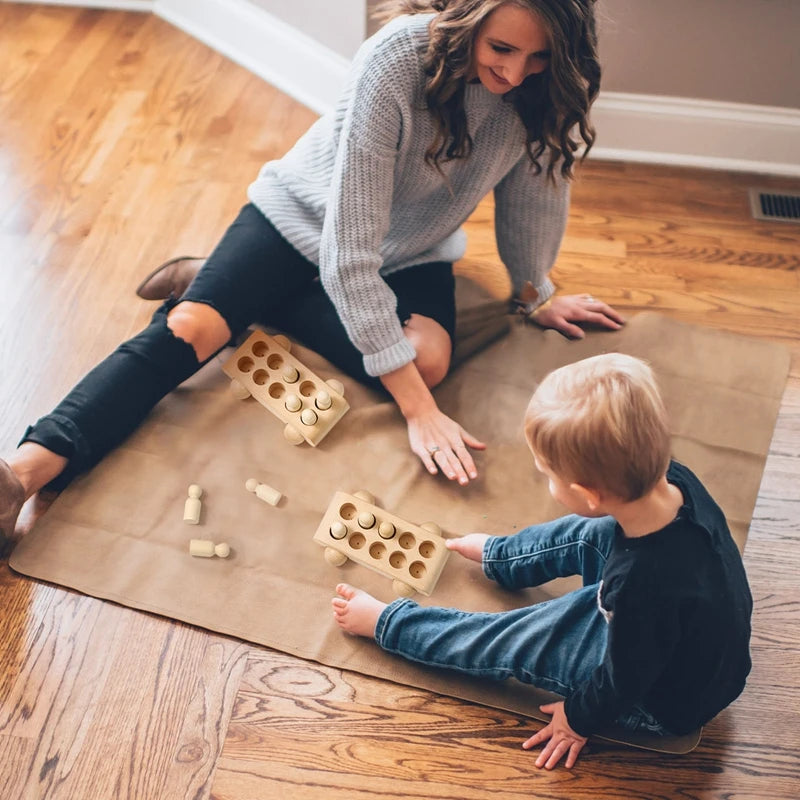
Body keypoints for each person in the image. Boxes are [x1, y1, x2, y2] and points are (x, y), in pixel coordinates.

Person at [0, 0, 624, 546]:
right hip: (302, 220)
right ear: (470, 16)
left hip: (411, 251)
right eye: (503, 49)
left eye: (538, 58)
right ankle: (23, 474)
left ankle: (238, 294)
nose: (514, 74)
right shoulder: (397, 59)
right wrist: (418, 413)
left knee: (425, 362)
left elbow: (535, 195)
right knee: (188, 330)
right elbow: (348, 248)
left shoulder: (546, 89)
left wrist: (536, 291)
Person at [332, 353, 753, 769]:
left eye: (548, 475)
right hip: (691, 644)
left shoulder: (639, 586)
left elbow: (624, 679)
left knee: (527, 635)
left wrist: (577, 719)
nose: (546, 481)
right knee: (596, 532)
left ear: (589, 494)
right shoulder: (675, 481)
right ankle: (504, 557)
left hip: (661, 702)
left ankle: (392, 625)